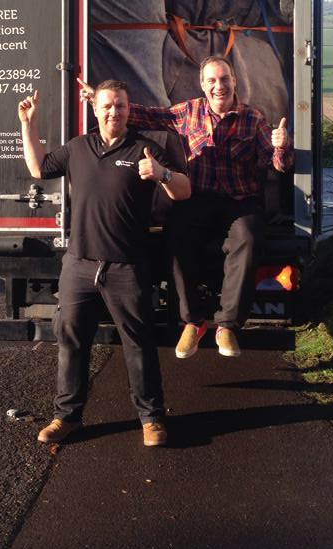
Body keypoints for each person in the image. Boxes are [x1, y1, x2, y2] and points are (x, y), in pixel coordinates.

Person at [78, 57, 293, 360]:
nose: (219, 86)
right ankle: (193, 321)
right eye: (212, 81)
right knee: (175, 235)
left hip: (240, 199)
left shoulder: (252, 118)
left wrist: (282, 146)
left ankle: (227, 326)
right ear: (203, 85)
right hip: (199, 197)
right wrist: (100, 101)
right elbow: (149, 116)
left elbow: (277, 165)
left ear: (235, 81)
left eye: (224, 79)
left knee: (250, 237)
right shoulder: (188, 112)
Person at [19, 79, 190, 447]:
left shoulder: (145, 149)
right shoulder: (78, 148)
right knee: (71, 342)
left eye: (121, 106)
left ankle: (151, 418)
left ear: (130, 110)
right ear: (94, 110)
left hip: (128, 267)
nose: (114, 112)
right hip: (79, 265)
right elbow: (39, 168)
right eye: (108, 106)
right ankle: (66, 417)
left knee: (138, 344)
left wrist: (162, 175)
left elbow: (184, 190)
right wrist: (28, 126)